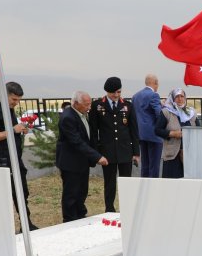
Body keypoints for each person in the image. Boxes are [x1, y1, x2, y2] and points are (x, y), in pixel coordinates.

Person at [0, 81, 37, 231]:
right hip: (2, 159)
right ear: (4, 95)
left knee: (21, 191)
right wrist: (13, 130)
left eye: (19, 100)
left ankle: (26, 225)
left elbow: (10, 131)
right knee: (6, 195)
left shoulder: (9, 109)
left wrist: (20, 130)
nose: (17, 103)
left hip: (15, 158)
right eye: (14, 99)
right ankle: (4, 229)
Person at [89, 77, 140, 212]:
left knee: (126, 182)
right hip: (107, 151)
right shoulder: (97, 105)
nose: (116, 95)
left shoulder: (127, 105)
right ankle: (109, 209)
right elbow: (94, 132)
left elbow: (134, 130)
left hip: (125, 151)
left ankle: (127, 208)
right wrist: (96, 154)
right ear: (107, 91)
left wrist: (136, 153)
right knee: (109, 182)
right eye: (113, 93)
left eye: (118, 92)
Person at [56, 91, 108, 222]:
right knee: (71, 193)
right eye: (86, 105)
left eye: (90, 104)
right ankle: (69, 220)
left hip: (82, 161)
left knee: (82, 191)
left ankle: (80, 215)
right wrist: (97, 157)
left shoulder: (82, 114)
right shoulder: (68, 117)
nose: (89, 107)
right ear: (76, 103)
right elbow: (77, 141)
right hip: (71, 162)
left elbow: (89, 137)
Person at [154, 88, 197, 179]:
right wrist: (172, 134)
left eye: (182, 96)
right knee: (172, 183)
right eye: (177, 97)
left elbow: (198, 130)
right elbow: (157, 130)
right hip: (172, 155)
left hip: (189, 154)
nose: (180, 99)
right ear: (173, 98)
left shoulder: (191, 113)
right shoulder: (166, 112)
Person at [132, 74, 162, 177]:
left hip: (140, 134)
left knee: (145, 164)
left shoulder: (135, 96)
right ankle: (153, 188)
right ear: (155, 83)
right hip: (154, 135)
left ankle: (144, 186)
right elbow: (159, 114)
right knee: (154, 165)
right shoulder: (154, 95)